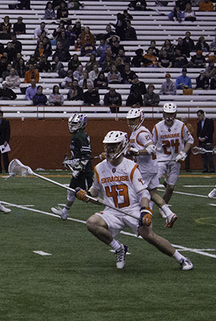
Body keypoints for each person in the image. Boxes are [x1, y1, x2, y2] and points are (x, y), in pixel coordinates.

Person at [74, 131, 193, 271]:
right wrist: (86, 195)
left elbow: (143, 193)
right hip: (112, 211)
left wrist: (145, 210)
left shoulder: (130, 166)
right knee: (92, 223)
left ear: (123, 146)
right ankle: (119, 248)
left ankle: (181, 258)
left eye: (114, 146)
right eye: (108, 146)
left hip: (132, 209)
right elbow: (95, 191)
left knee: (148, 234)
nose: (110, 149)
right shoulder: (100, 168)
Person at [151, 103, 193, 226]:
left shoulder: (181, 126)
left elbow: (190, 140)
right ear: (163, 114)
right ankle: (147, 208)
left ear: (175, 114)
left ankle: (162, 207)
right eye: (167, 114)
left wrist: (183, 153)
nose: (169, 117)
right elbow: (152, 145)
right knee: (153, 183)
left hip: (175, 159)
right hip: (161, 158)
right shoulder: (157, 127)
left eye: (171, 114)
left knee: (170, 187)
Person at [51, 113, 93, 221]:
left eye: (75, 123)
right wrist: (72, 161)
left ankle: (112, 208)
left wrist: (79, 168)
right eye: (72, 123)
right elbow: (79, 156)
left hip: (84, 171)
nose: (72, 125)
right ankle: (65, 212)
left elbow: (87, 155)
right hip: (78, 169)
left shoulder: (81, 136)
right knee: (70, 190)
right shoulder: (76, 135)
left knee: (89, 196)